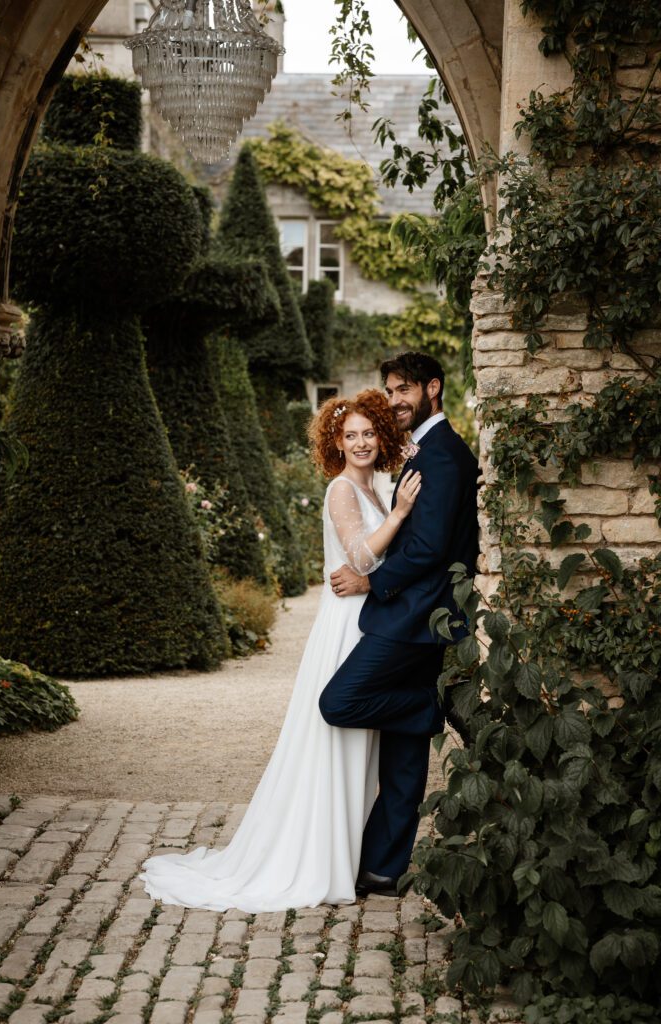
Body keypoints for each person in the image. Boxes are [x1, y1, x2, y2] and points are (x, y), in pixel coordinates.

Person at [139, 389, 420, 910]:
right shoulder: (342, 490)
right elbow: (359, 554)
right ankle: (317, 859)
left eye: (368, 433)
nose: (360, 443)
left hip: (366, 619)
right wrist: (401, 515)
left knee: (359, 747)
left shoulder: (375, 491)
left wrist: (394, 505)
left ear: (381, 436)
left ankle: (345, 854)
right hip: (343, 627)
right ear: (336, 443)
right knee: (335, 740)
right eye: (350, 435)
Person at [319, 351, 479, 898]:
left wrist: (372, 583)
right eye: (389, 391)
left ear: (433, 388)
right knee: (405, 759)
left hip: (411, 612)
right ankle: (384, 869)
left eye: (403, 390)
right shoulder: (427, 451)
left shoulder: (442, 456)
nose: (395, 401)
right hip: (419, 613)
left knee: (339, 701)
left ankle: (424, 708)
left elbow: (431, 546)